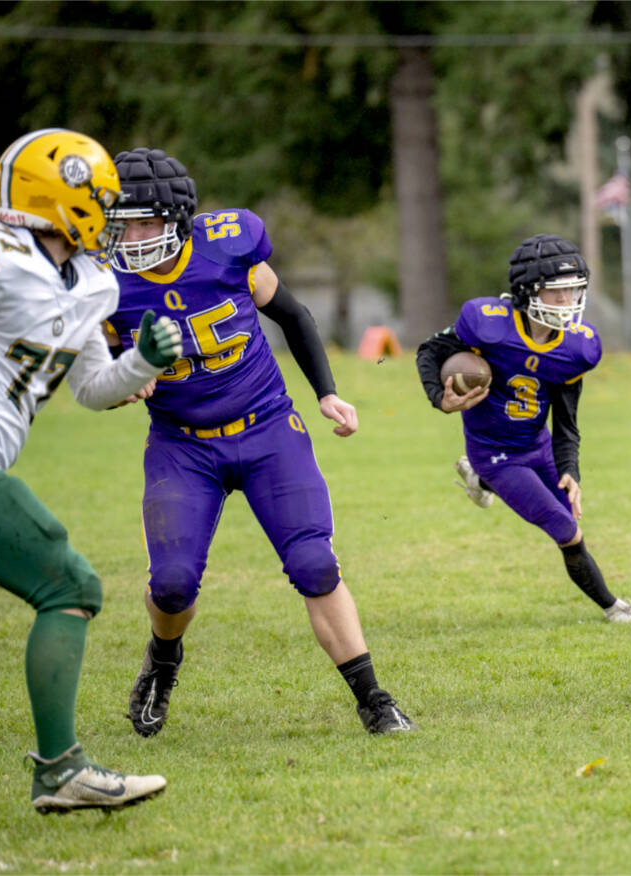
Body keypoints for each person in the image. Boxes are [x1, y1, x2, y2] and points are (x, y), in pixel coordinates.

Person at [102, 148, 415, 736]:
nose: (130, 235)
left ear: (176, 218)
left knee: (315, 563)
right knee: (170, 586)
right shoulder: (106, 280)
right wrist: (123, 385)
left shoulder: (229, 245)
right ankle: (163, 663)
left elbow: (292, 316)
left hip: (269, 427)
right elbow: (97, 370)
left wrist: (326, 392)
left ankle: (374, 698)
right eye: (122, 222)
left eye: (143, 221)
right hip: (182, 444)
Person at [0, 129, 180, 811]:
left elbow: (93, 388)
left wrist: (142, 359)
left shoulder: (92, 282)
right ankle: (60, 769)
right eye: (104, 199)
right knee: (69, 581)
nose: (113, 216)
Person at [416, 233, 631, 624]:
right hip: (495, 451)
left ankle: (479, 483)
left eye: (574, 291)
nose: (568, 302)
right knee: (565, 529)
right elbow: (430, 350)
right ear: (528, 291)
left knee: (570, 514)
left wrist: (570, 469)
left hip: (538, 444)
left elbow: (567, 419)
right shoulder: (488, 325)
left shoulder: (575, 348)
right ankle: (615, 609)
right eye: (556, 292)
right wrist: (439, 397)